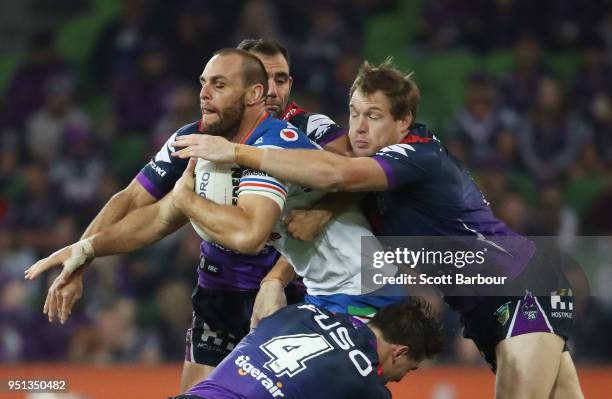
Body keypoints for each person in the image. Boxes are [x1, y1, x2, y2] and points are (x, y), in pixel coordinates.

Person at [168, 59, 584, 399]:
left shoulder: (418, 156)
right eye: (353, 113)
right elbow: (341, 196)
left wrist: (239, 151)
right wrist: (277, 276)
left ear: (404, 121)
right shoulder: (375, 177)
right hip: (481, 308)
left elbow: (339, 175)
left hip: (520, 288)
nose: (359, 127)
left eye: (374, 116)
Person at [25, 49, 400, 387]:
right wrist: (85, 250)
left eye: (218, 85)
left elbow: (251, 233)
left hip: (360, 296)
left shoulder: (275, 140)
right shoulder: (206, 144)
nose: (203, 94)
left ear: (253, 94)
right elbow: (155, 215)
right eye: (203, 83)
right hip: (283, 292)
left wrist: (186, 200)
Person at [171, 299, 443, 399]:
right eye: (409, 369)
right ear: (399, 352)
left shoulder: (300, 310)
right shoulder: (369, 386)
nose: (399, 378)